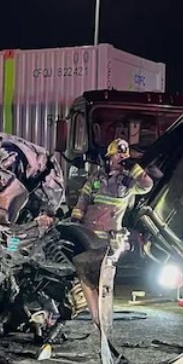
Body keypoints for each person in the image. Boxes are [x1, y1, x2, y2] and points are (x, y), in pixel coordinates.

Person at [69, 138, 154, 328]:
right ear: (110, 157)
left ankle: (102, 319)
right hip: (88, 235)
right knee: (85, 277)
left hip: (109, 239)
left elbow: (147, 185)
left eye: (124, 156)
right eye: (118, 155)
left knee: (103, 281)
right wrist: (75, 221)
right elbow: (83, 200)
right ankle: (96, 318)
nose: (121, 159)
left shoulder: (129, 181)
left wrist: (134, 168)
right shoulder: (96, 177)